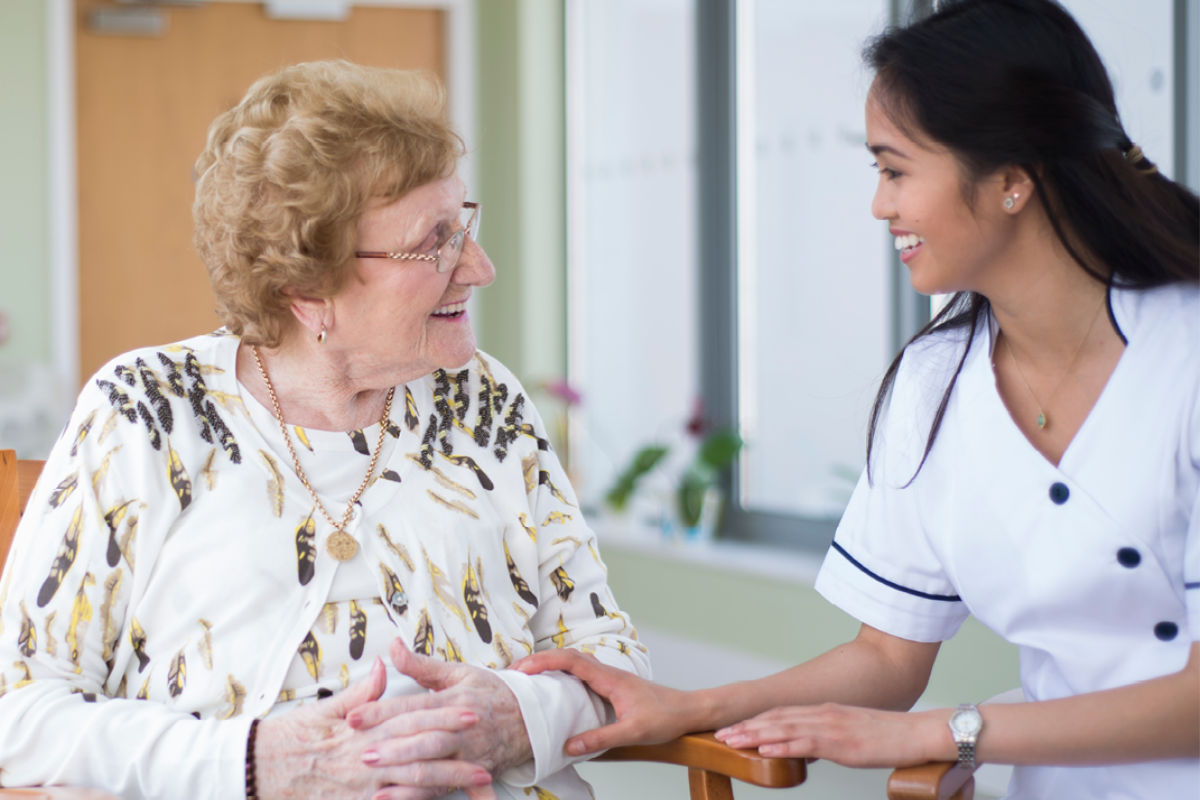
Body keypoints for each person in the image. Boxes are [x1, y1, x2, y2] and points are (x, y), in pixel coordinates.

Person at [515, 1, 1199, 797]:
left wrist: (948, 733)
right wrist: (691, 706)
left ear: (1013, 180)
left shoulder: (1184, 354)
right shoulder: (934, 384)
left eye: (896, 169)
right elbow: (886, 657)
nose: (881, 206)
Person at [0, 60, 648, 800]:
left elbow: (611, 656)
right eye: (433, 241)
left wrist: (516, 716)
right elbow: (18, 712)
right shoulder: (148, 410)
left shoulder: (487, 404)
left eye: (464, 222)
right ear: (306, 287)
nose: (478, 266)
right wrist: (250, 761)